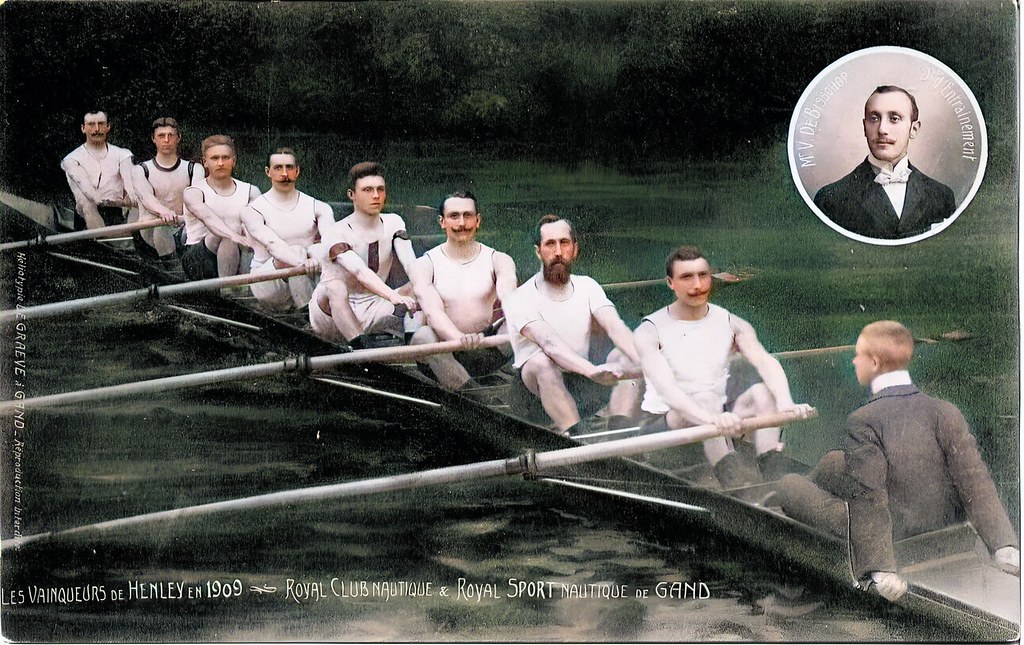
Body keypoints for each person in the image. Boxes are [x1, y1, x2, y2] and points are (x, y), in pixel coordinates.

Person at [774, 321, 1019, 602]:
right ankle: (817, 481)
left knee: (787, 485)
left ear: (875, 362)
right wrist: (1003, 545)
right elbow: (975, 480)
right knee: (834, 461)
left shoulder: (864, 420)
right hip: (935, 519)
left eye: (858, 355)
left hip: (893, 528)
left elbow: (869, 496)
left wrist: (881, 569)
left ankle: (806, 486)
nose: (854, 361)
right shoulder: (944, 411)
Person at [634, 245, 813, 488]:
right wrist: (712, 418)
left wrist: (785, 404)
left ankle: (773, 473)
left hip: (713, 425)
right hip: (665, 434)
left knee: (763, 393)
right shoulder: (650, 330)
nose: (697, 285)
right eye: (686, 277)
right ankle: (739, 487)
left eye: (702, 275)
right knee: (705, 398)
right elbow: (670, 393)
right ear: (670, 283)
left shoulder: (732, 323)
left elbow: (764, 361)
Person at [503, 214, 641, 436]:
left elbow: (615, 327)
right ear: (538, 251)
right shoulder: (520, 297)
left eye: (564, 243)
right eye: (550, 244)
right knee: (540, 362)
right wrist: (593, 371)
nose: (558, 252)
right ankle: (576, 438)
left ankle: (620, 436)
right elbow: (549, 344)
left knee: (624, 356)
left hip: (581, 383)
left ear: (574, 249)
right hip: (534, 399)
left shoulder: (589, 286)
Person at [813, 85, 956, 240]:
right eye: (874, 119)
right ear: (864, 127)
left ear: (914, 129)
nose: (882, 129)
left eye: (894, 119)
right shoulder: (830, 198)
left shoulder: (942, 196)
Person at [409, 191, 517, 389]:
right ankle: (473, 395)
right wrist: (460, 339)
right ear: (442, 222)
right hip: (443, 351)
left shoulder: (499, 259)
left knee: (519, 321)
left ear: (477, 221)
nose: (461, 224)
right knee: (423, 335)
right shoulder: (424, 264)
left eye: (468, 216)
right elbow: (433, 313)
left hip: (484, 350)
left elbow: (509, 297)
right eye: (454, 216)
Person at [308, 162, 419, 348]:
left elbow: (410, 263)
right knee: (334, 287)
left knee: (419, 282)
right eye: (367, 190)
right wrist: (393, 296)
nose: (376, 196)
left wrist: (421, 283)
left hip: (376, 306)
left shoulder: (394, 222)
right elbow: (359, 271)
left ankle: (414, 342)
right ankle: (360, 350)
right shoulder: (335, 232)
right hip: (331, 315)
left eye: (380, 189)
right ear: (352, 195)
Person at [239, 148, 331, 310]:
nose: (284, 173)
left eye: (289, 167)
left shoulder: (319, 207)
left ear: (297, 171)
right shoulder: (252, 209)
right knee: (295, 250)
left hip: (308, 275)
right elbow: (272, 243)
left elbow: (331, 241)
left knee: (318, 250)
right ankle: (308, 312)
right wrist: (303, 263)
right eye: (278, 168)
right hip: (268, 281)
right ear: (268, 171)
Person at [180, 135, 261, 280]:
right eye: (215, 158)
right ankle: (228, 289)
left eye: (225, 158)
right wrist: (233, 235)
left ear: (234, 161)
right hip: (198, 259)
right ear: (205, 162)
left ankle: (244, 285)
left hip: (239, 252)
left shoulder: (251, 191)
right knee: (230, 234)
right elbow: (208, 218)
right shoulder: (193, 192)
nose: (221, 163)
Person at [130, 116, 201, 271]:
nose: (166, 140)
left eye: (171, 135)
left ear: (179, 138)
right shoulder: (140, 170)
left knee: (164, 230)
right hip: (149, 236)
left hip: (182, 231)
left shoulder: (195, 169)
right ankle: (175, 271)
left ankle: (177, 272)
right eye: (161, 136)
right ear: (153, 139)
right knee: (161, 229)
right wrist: (165, 213)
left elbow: (196, 202)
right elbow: (146, 197)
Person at [60, 110, 137, 230]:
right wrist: (114, 202)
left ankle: (134, 240)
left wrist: (133, 196)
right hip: (88, 214)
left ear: (108, 127)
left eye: (101, 124)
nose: (96, 129)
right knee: (86, 202)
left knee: (139, 197)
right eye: (91, 124)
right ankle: (101, 241)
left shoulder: (123, 154)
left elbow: (130, 181)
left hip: (117, 213)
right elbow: (88, 190)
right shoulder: (71, 160)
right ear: (83, 128)